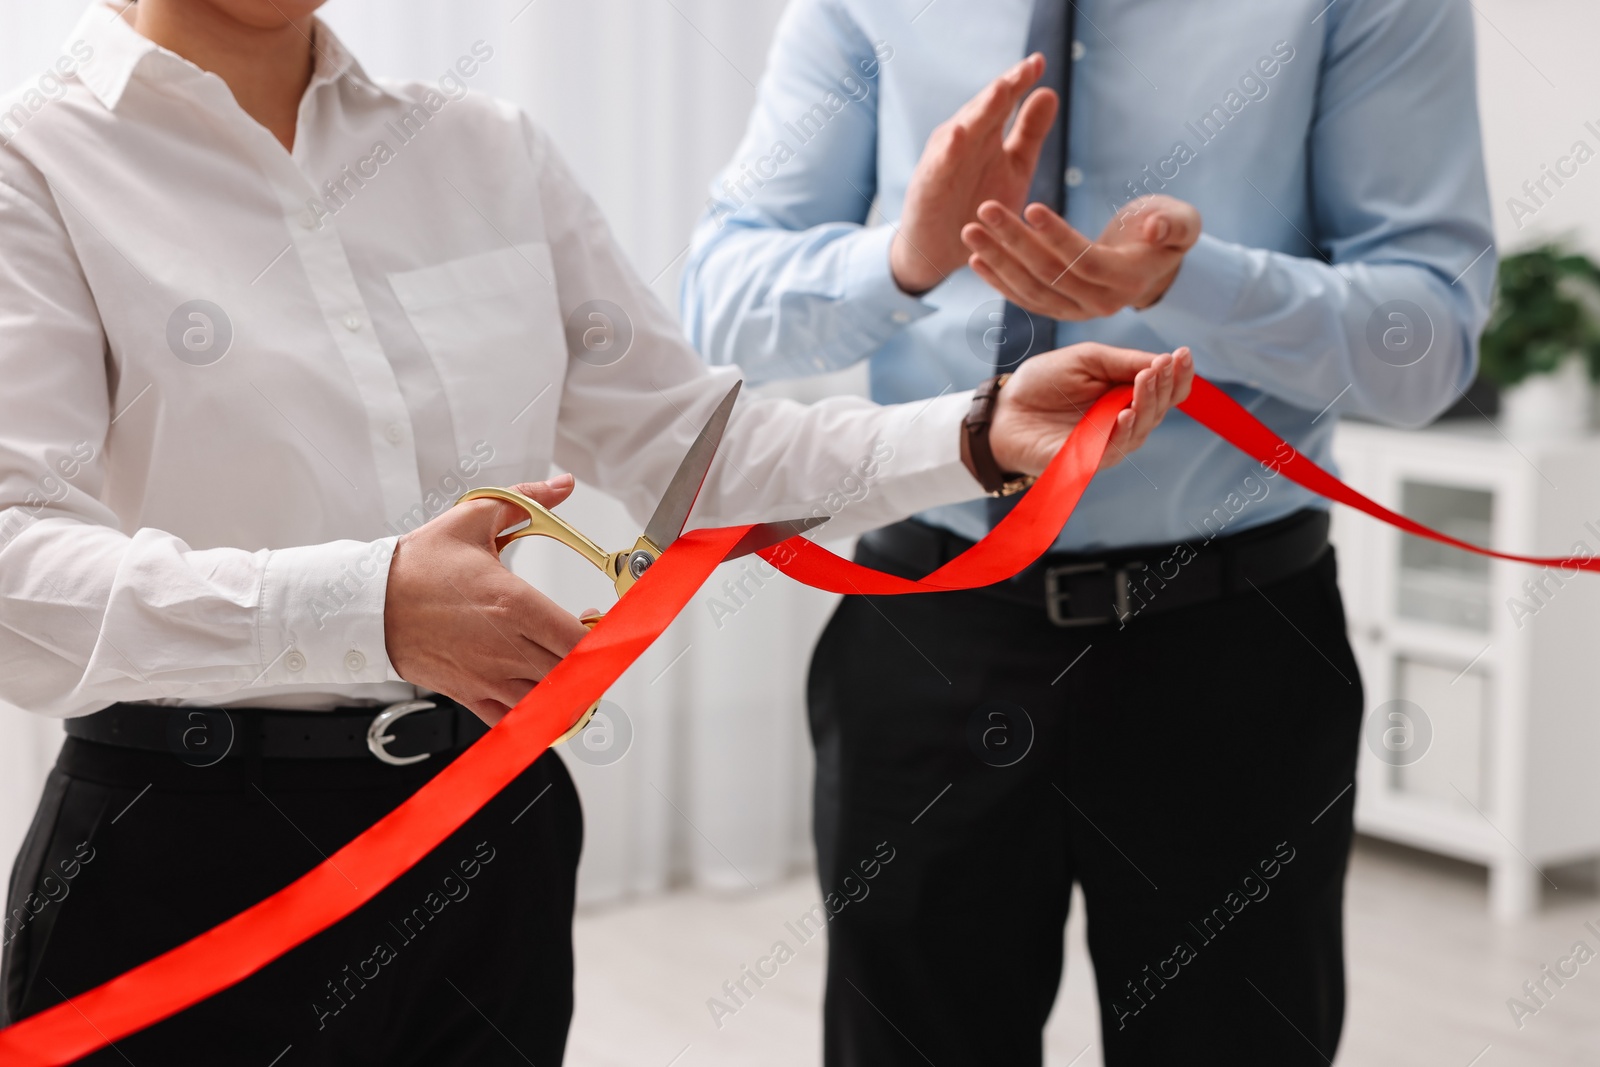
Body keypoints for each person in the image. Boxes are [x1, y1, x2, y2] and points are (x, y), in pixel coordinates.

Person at [0, 1, 1189, 1063]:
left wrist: (978, 432)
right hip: (182, 864)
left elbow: (695, 455)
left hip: (490, 833)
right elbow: (17, 567)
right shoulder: (34, 166)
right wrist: (368, 604)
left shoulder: (486, 150)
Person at [682, 1, 1494, 1063]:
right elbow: (719, 305)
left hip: (1232, 650)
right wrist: (906, 257)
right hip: (928, 637)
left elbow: (1425, 348)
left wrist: (1189, 285)